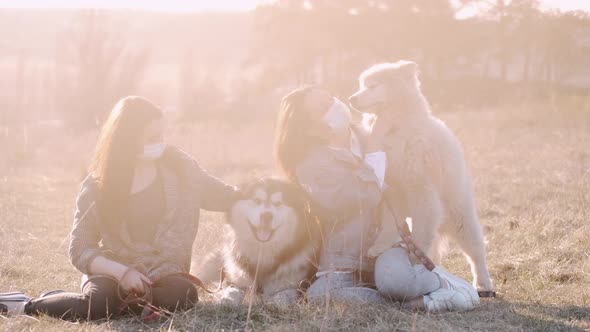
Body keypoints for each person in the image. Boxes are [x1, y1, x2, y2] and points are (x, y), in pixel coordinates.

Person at [0, 96, 235, 320]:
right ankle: (25, 305)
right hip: (112, 272)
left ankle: (99, 302)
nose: (160, 144)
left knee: (184, 295)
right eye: (151, 138)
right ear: (127, 139)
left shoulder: (182, 169)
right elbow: (80, 247)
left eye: (161, 135)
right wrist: (122, 273)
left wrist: (262, 195)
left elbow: (222, 195)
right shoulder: (97, 186)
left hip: (165, 275)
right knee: (99, 304)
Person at [274, 87, 480, 312]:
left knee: (395, 282)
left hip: (388, 245)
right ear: (309, 128)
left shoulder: (374, 138)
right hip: (345, 258)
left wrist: (433, 180)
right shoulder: (312, 165)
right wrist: (375, 143)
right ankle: (421, 303)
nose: (335, 105)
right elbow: (362, 197)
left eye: (332, 98)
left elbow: (406, 194)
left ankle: (448, 285)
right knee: (320, 296)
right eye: (323, 107)